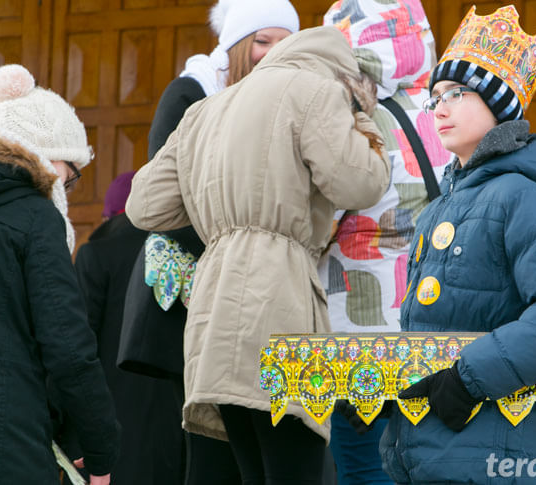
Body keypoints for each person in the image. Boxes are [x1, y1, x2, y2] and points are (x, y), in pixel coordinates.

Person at [125, 26, 391, 484]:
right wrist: (361, 118)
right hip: (279, 301)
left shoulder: (207, 109)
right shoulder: (319, 91)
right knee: (297, 469)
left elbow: (143, 205)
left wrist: (219, 208)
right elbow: (361, 183)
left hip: (212, 312)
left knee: (250, 472)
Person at [377, 6, 536, 484]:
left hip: (493, 459)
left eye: (456, 93)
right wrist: (387, 394)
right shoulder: (438, 208)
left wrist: (467, 377)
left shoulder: (522, 195)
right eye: (434, 97)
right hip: (434, 457)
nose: (439, 108)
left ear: (498, 105)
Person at [118, 1, 299, 483]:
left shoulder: (290, 101)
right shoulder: (193, 92)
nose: (273, 54)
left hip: (254, 296)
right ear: (236, 46)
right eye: (262, 41)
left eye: (285, 42)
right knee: (207, 441)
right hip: (193, 297)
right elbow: (163, 194)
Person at [320, 1, 451, 483]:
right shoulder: (445, 110)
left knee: (362, 465)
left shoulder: (350, 119)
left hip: (361, 338)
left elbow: (319, 222)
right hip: (433, 335)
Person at [0, 64, 120, 485]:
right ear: (40, 154)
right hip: (1, 444)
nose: (65, 192)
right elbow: (69, 348)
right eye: (69, 178)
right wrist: (100, 452)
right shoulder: (33, 215)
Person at [51, 171, 183, 485]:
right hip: (172, 428)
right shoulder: (183, 251)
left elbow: (74, 344)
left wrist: (53, 418)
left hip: (105, 431)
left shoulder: (97, 253)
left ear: (109, 213)